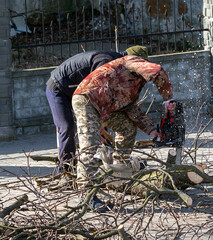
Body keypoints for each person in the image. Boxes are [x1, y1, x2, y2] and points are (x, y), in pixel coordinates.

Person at [72, 55, 175, 211]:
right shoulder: (131, 62)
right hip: (87, 100)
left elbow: (132, 108)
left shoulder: (134, 83)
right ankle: (86, 195)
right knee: (90, 146)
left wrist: (152, 130)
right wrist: (167, 100)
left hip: (107, 106)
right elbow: (158, 71)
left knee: (127, 128)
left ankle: (118, 170)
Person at [45, 46, 149, 174]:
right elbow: (96, 93)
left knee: (104, 122)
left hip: (81, 92)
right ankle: (66, 170)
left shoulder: (120, 69)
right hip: (59, 89)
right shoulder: (105, 61)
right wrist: (99, 123)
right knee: (66, 127)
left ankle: (113, 164)